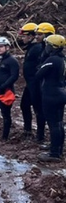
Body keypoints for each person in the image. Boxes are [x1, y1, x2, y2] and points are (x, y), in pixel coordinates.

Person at [35, 34, 66, 162]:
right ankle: (58, 148)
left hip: (51, 94)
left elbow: (38, 74)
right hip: (61, 92)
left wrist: (44, 57)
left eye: (47, 44)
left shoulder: (52, 60)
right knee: (59, 123)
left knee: (53, 124)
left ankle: (54, 154)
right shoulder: (63, 59)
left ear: (52, 47)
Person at [18, 23, 45, 141]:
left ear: (31, 36)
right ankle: (27, 130)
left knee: (38, 109)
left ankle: (40, 135)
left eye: (24, 36)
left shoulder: (38, 48)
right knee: (24, 105)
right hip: (30, 83)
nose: (22, 39)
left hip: (36, 83)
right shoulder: (31, 47)